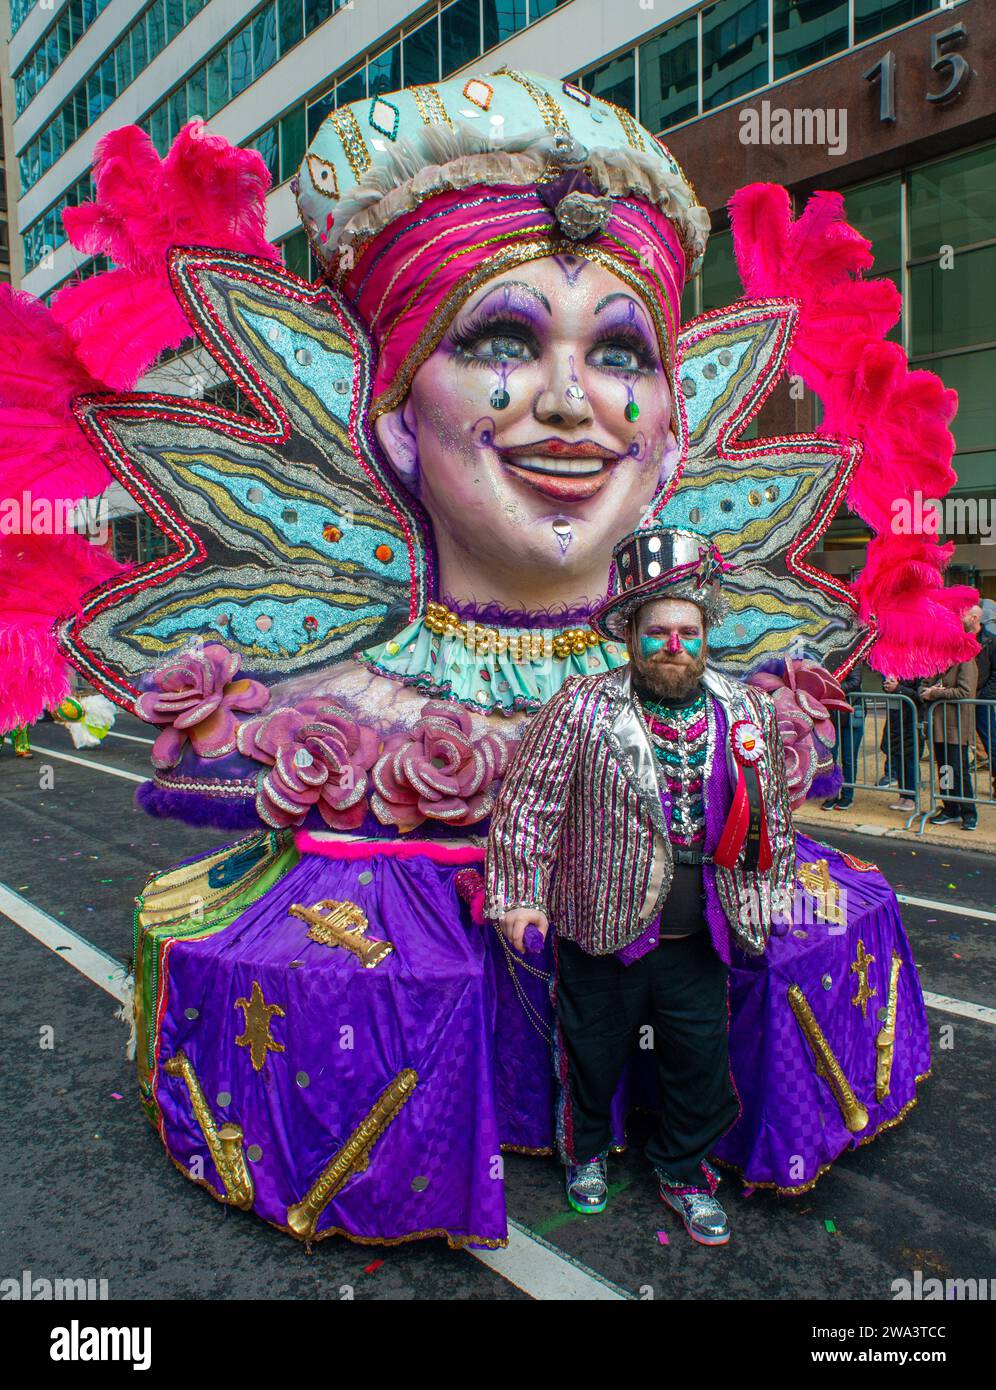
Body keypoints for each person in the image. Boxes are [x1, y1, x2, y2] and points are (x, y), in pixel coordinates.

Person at [487, 526, 795, 1244]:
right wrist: (518, 893)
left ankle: (685, 1171)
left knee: (699, 1060)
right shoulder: (581, 708)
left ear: (706, 633)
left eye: (689, 632)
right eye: (658, 632)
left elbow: (769, 810)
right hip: (601, 922)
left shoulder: (743, 711)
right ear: (630, 635)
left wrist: (772, 889)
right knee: (592, 1054)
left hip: (702, 933)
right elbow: (528, 807)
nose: (675, 646)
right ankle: (587, 1153)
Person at [922, 611, 979, 831]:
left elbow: (965, 691)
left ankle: (968, 812)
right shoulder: (940, 660)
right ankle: (950, 807)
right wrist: (927, 690)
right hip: (939, 726)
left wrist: (935, 693)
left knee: (959, 769)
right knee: (945, 769)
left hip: (955, 726)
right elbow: (925, 683)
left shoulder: (966, 660)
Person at [822, 664, 863, 810]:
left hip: (851, 715)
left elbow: (855, 682)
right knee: (830, 757)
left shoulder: (854, 660)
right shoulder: (828, 661)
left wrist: (832, 686)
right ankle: (832, 794)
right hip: (833, 716)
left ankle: (847, 795)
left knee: (848, 758)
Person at [882, 676, 924, 814]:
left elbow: (920, 695)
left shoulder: (921, 669)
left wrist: (898, 689)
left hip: (912, 719)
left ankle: (912, 796)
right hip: (896, 718)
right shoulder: (896, 667)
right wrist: (887, 686)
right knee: (898, 757)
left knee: (910, 760)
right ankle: (903, 794)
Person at [966, 604, 995, 787]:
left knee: (990, 738)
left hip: (981, 698)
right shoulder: (960, 640)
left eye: (964, 614)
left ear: (974, 618)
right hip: (964, 697)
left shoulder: (991, 642)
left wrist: (982, 695)